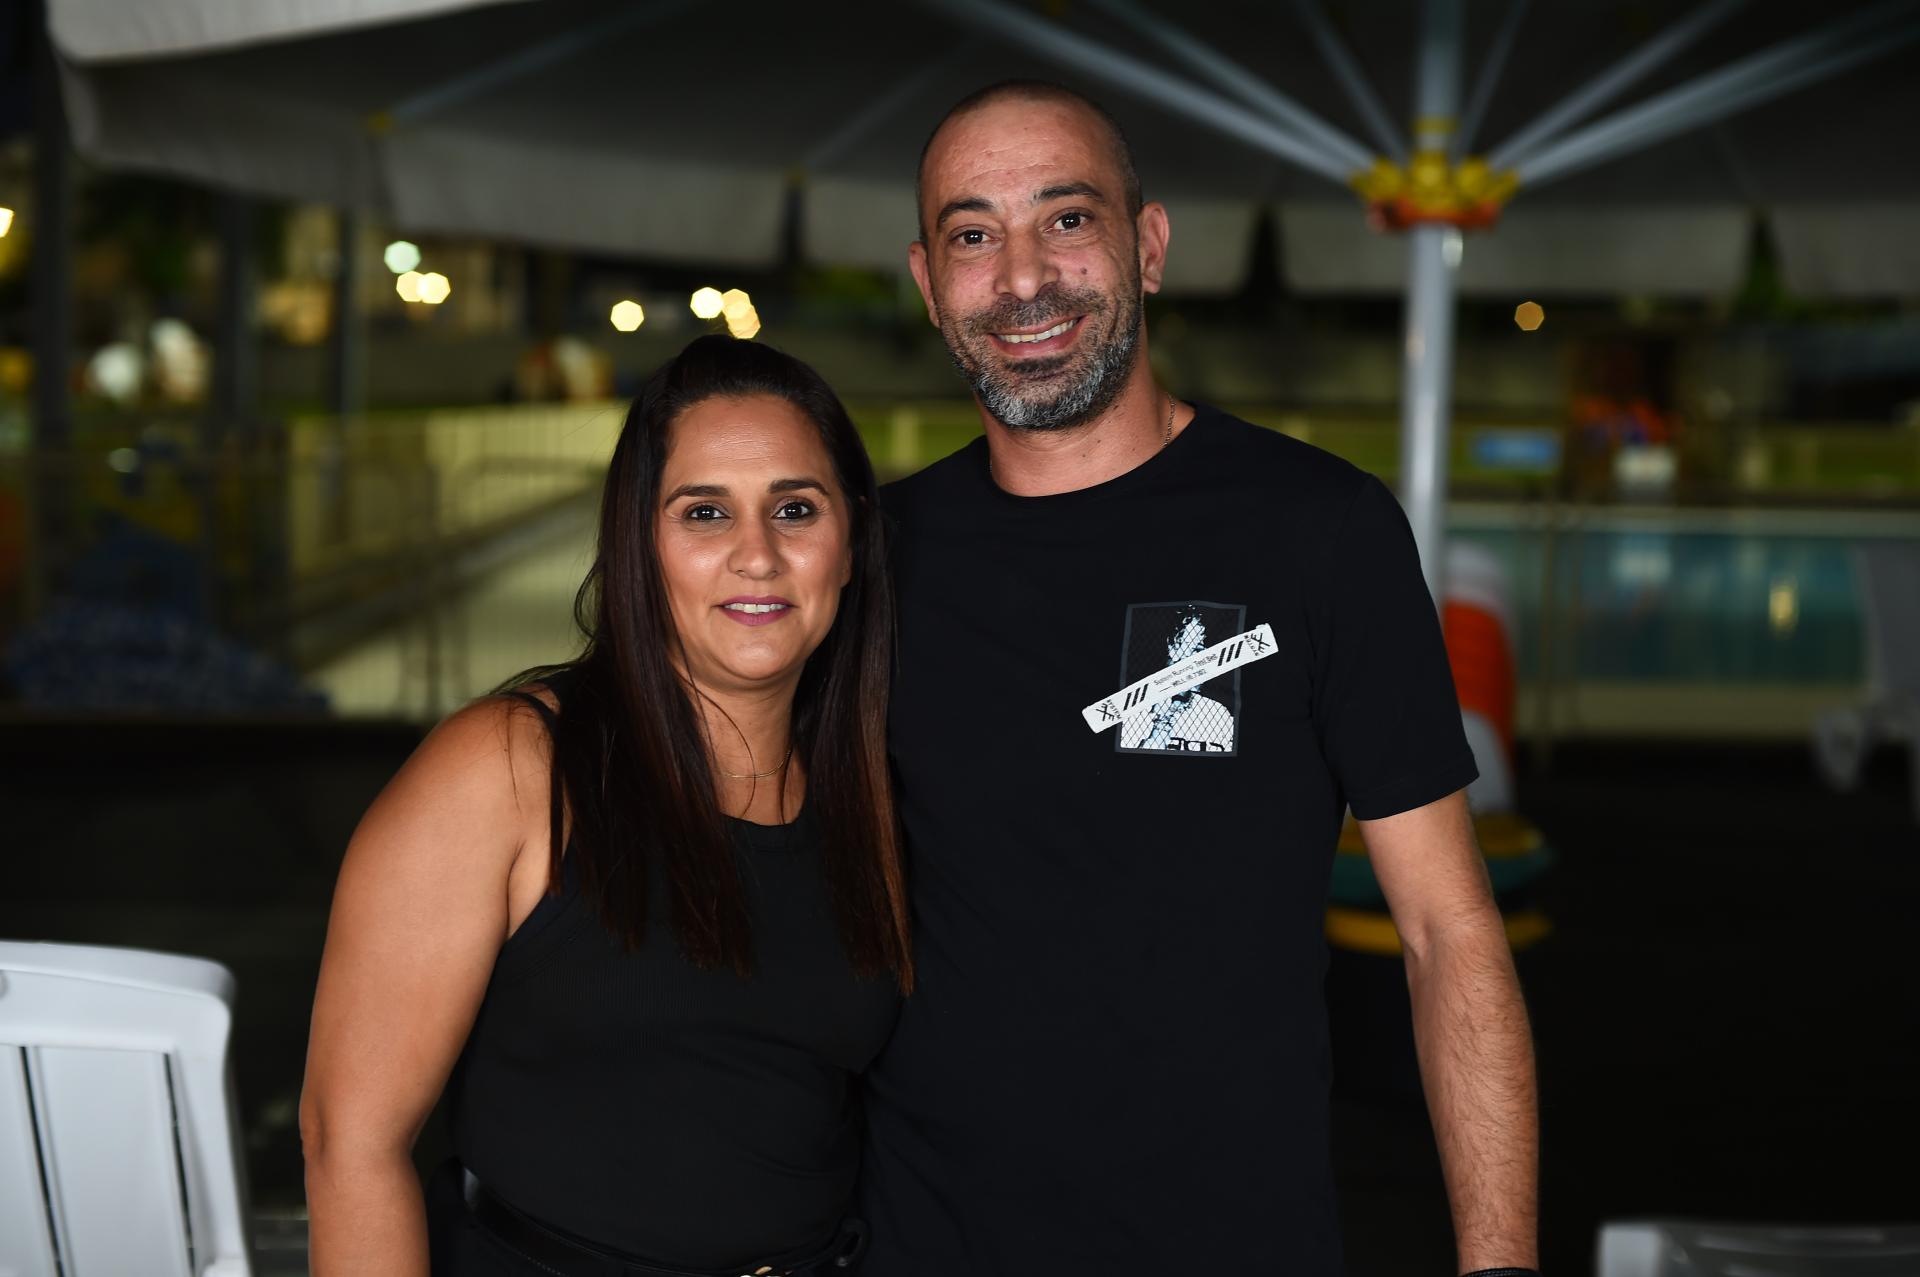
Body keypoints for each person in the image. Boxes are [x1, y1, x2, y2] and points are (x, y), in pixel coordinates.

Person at [859, 81, 1540, 1275]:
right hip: (924, 1242)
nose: (1023, 276)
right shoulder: (875, 556)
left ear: (1151, 245)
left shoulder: (1318, 531)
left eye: (1068, 218)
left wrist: (1501, 1262)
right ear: (928, 281)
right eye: (973, 234)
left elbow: (1447, 930)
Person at [300, 335, 911, 1277]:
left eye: (796, 509)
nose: (757, 555)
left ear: (852, 543)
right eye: (704, 512)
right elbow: (350, 1142)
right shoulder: (511, 768)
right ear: (638, 542)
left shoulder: (866, 792)